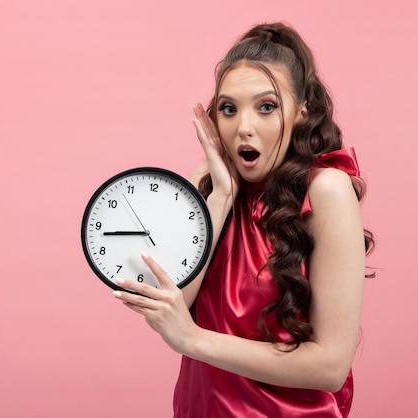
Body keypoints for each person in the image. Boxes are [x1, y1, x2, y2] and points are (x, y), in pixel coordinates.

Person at [112, 21, 374, 418]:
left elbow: (331, 366)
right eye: (229, 109)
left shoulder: (326, 191)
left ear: (302, 111)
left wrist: (195, 340)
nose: (243, 128)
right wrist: (220, 198)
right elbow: (175, 303)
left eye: (266, 107)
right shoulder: (214, 186)